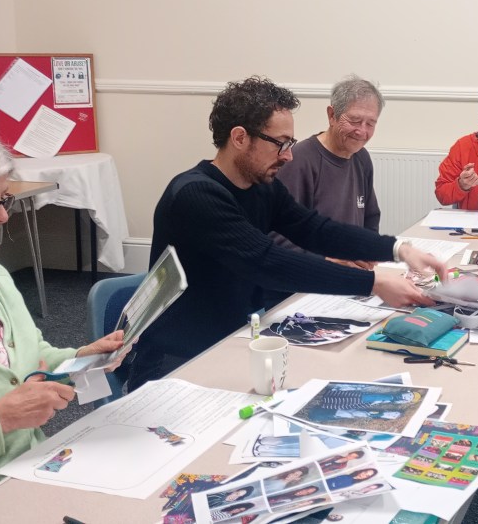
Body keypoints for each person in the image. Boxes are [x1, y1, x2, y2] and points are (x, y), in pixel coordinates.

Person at [129, 77, 446, 388]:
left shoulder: (260, 185)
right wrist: (373, 282)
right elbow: (266, 262)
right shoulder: (195, 196)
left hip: (232, 341)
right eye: (281, 143)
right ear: (240, 138)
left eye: (290, 143)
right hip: (175, 362)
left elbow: (314, 229)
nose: (288, 155)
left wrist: (397, 249)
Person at [0, 122, 125, 515]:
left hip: (33, 475)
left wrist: (82, 358)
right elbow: (8, 405)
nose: (3, 216)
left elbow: (31, 359)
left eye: (3, 198)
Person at [275, 76, 384, 269]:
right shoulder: (299, 160)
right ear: (331, 115)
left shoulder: (362, 158)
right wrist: (328, 263)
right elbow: (278, 236)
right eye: (355, 120)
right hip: (311, 274)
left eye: (370, 124)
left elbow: (370, 217)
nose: (362, 131)